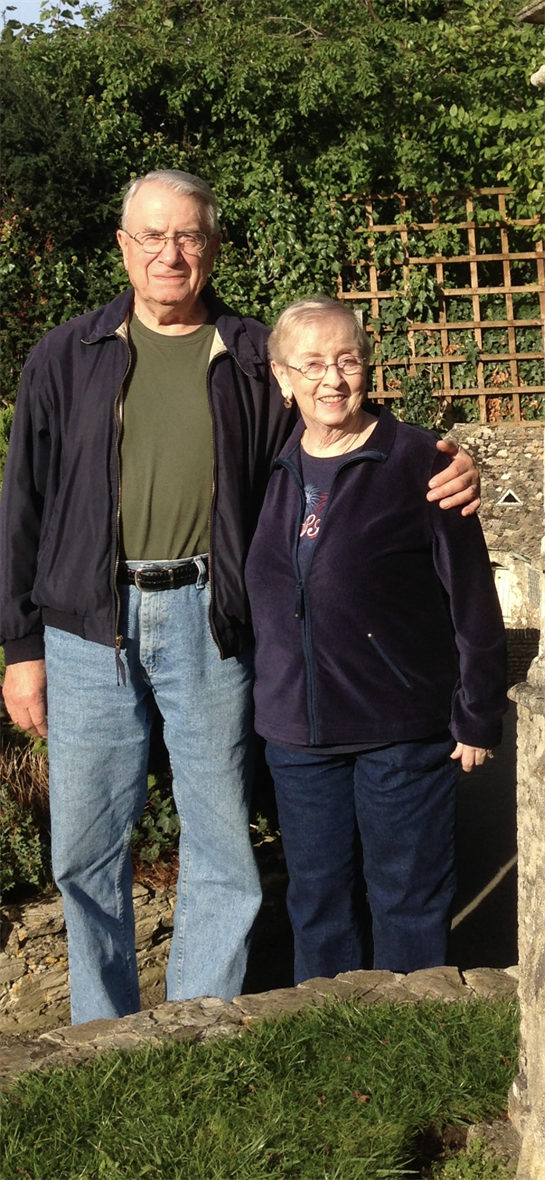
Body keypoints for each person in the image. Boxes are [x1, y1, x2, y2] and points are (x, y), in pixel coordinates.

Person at [0, 172, 479, 1024]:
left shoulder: (255, 355)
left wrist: (438, 462)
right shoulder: (64, 356)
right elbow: (22, 506)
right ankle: (101, 1031)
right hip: (84, 629)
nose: (168, 254)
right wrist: (20, 647)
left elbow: (339, 414)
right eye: (150, 237)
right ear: (122, 247)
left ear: (212, 245)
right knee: (83, 849)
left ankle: (201, 1021)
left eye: (186, 236)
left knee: (221, 839)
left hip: (213, 619)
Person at [244, 296, 507, 982]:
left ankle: (411, 1027)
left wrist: (476, 714)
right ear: (281, 377)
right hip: (296, 734)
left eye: (347, 359)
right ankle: (329, 1030)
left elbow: (471, 598)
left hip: (400, 725)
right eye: (311, 364)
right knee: (318, 898)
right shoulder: (266, 470)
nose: (331, 379)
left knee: (407, 896)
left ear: (366, 365)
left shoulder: (419, 461)